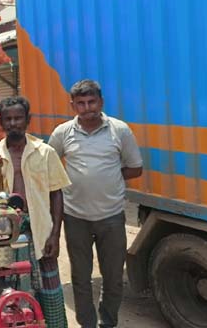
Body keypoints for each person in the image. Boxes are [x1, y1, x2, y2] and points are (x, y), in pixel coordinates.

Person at [48, 79, 143, 328]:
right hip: (75, 217)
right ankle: (87, 323)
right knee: (80, 278)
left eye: (92, 102)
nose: (87, 107)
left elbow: (135, 168)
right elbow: (49, 166)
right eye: (81, 103)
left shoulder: (120, 130)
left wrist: (108, 175)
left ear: (101, 102)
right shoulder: (62, 132)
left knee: (112, 278)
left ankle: (108, 322)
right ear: (73, 105)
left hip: (111, 217)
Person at [0, 96, 71, 328]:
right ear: (1, 123)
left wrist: (54, 236)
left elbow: (56, 194)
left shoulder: (45, 152)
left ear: (27, 120)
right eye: (8, 119)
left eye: (18, 118)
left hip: (39, 229)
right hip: (5, 232)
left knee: (48, 288)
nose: (13, 123)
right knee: (9, 286)